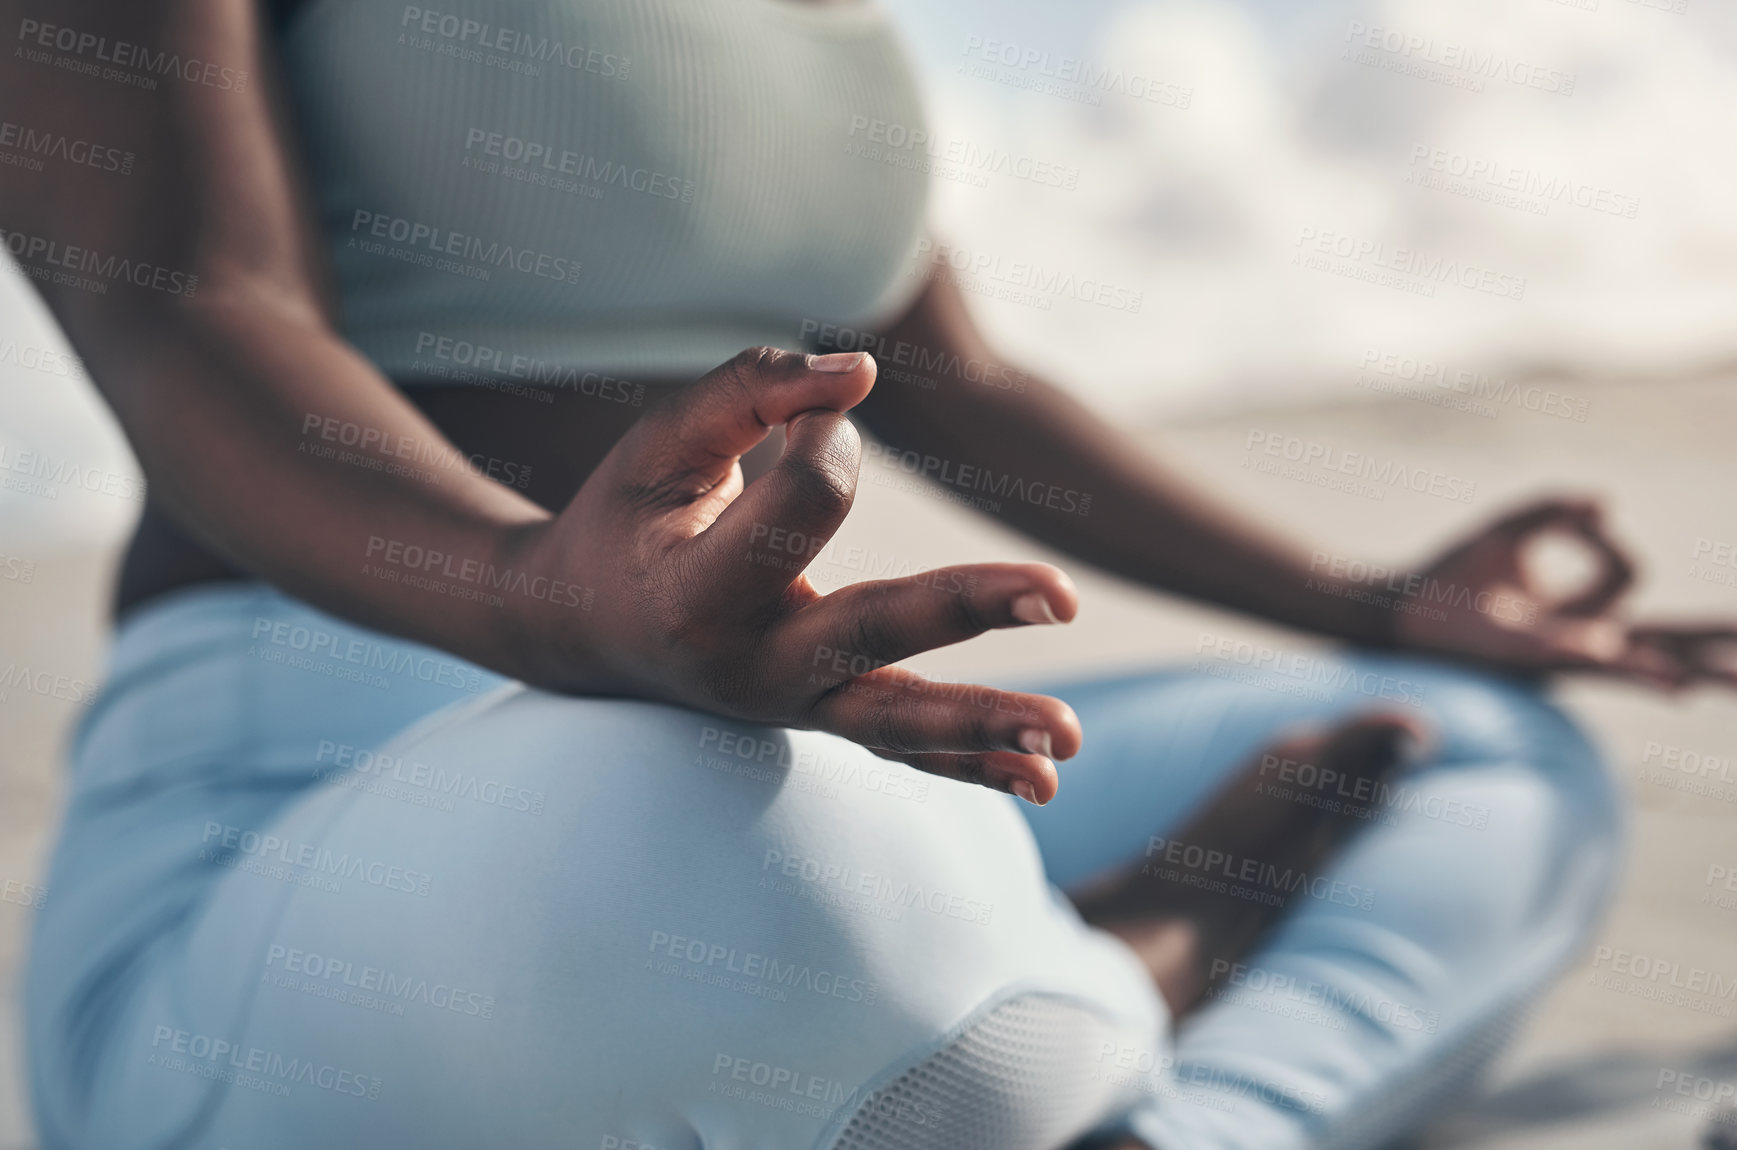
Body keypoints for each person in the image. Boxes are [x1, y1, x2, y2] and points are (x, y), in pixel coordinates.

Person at [4, 1, 1731, 1148]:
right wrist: (543, 597)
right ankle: (1102, 990)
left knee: (1470, 742)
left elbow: (958, 387)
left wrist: (1375, 603)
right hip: (317, 841)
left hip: (747, 711)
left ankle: (1139, 1102)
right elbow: (183, 307)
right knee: (738, 852)